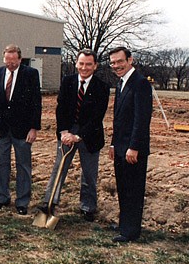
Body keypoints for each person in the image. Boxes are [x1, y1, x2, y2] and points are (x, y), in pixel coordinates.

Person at [38, 49, 110, 221]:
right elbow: (60, 109)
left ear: (95, 66)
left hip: (90, 135)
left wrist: (78, 136)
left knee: (89, 173)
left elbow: (96, 117)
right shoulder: (68, 82)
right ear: (76, 64)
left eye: (88, 64)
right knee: (59, 168)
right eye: (81, 63)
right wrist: (64, 132)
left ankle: (88, 207)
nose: (84, 68)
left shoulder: (102, 87)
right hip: (67, 132)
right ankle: (49, 202)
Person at [0, 44, 42, 215]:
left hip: (23, 130)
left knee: (23, 166)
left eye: (14, 60)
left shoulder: (31, 74)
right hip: (2, 129)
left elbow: (36, 103)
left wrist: (34, 128)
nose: (10, 64)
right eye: (7, 60)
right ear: (3, 59)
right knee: (1, 164)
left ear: (20, 59)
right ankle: (1, 197)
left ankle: (22, 201)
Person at [108, 46, 152, 242]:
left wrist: (134, 147)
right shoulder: (121, 83)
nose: (116, 66)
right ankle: (124, 224)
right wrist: (113, 144)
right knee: (123, 187)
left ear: (130, 60)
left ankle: (131, 231)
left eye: (120, 61)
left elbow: (141, 120)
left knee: (133, 189)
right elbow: (119, 119)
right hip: (120, 147)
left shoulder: (140, 84)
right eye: (113, 63)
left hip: (133, 149)